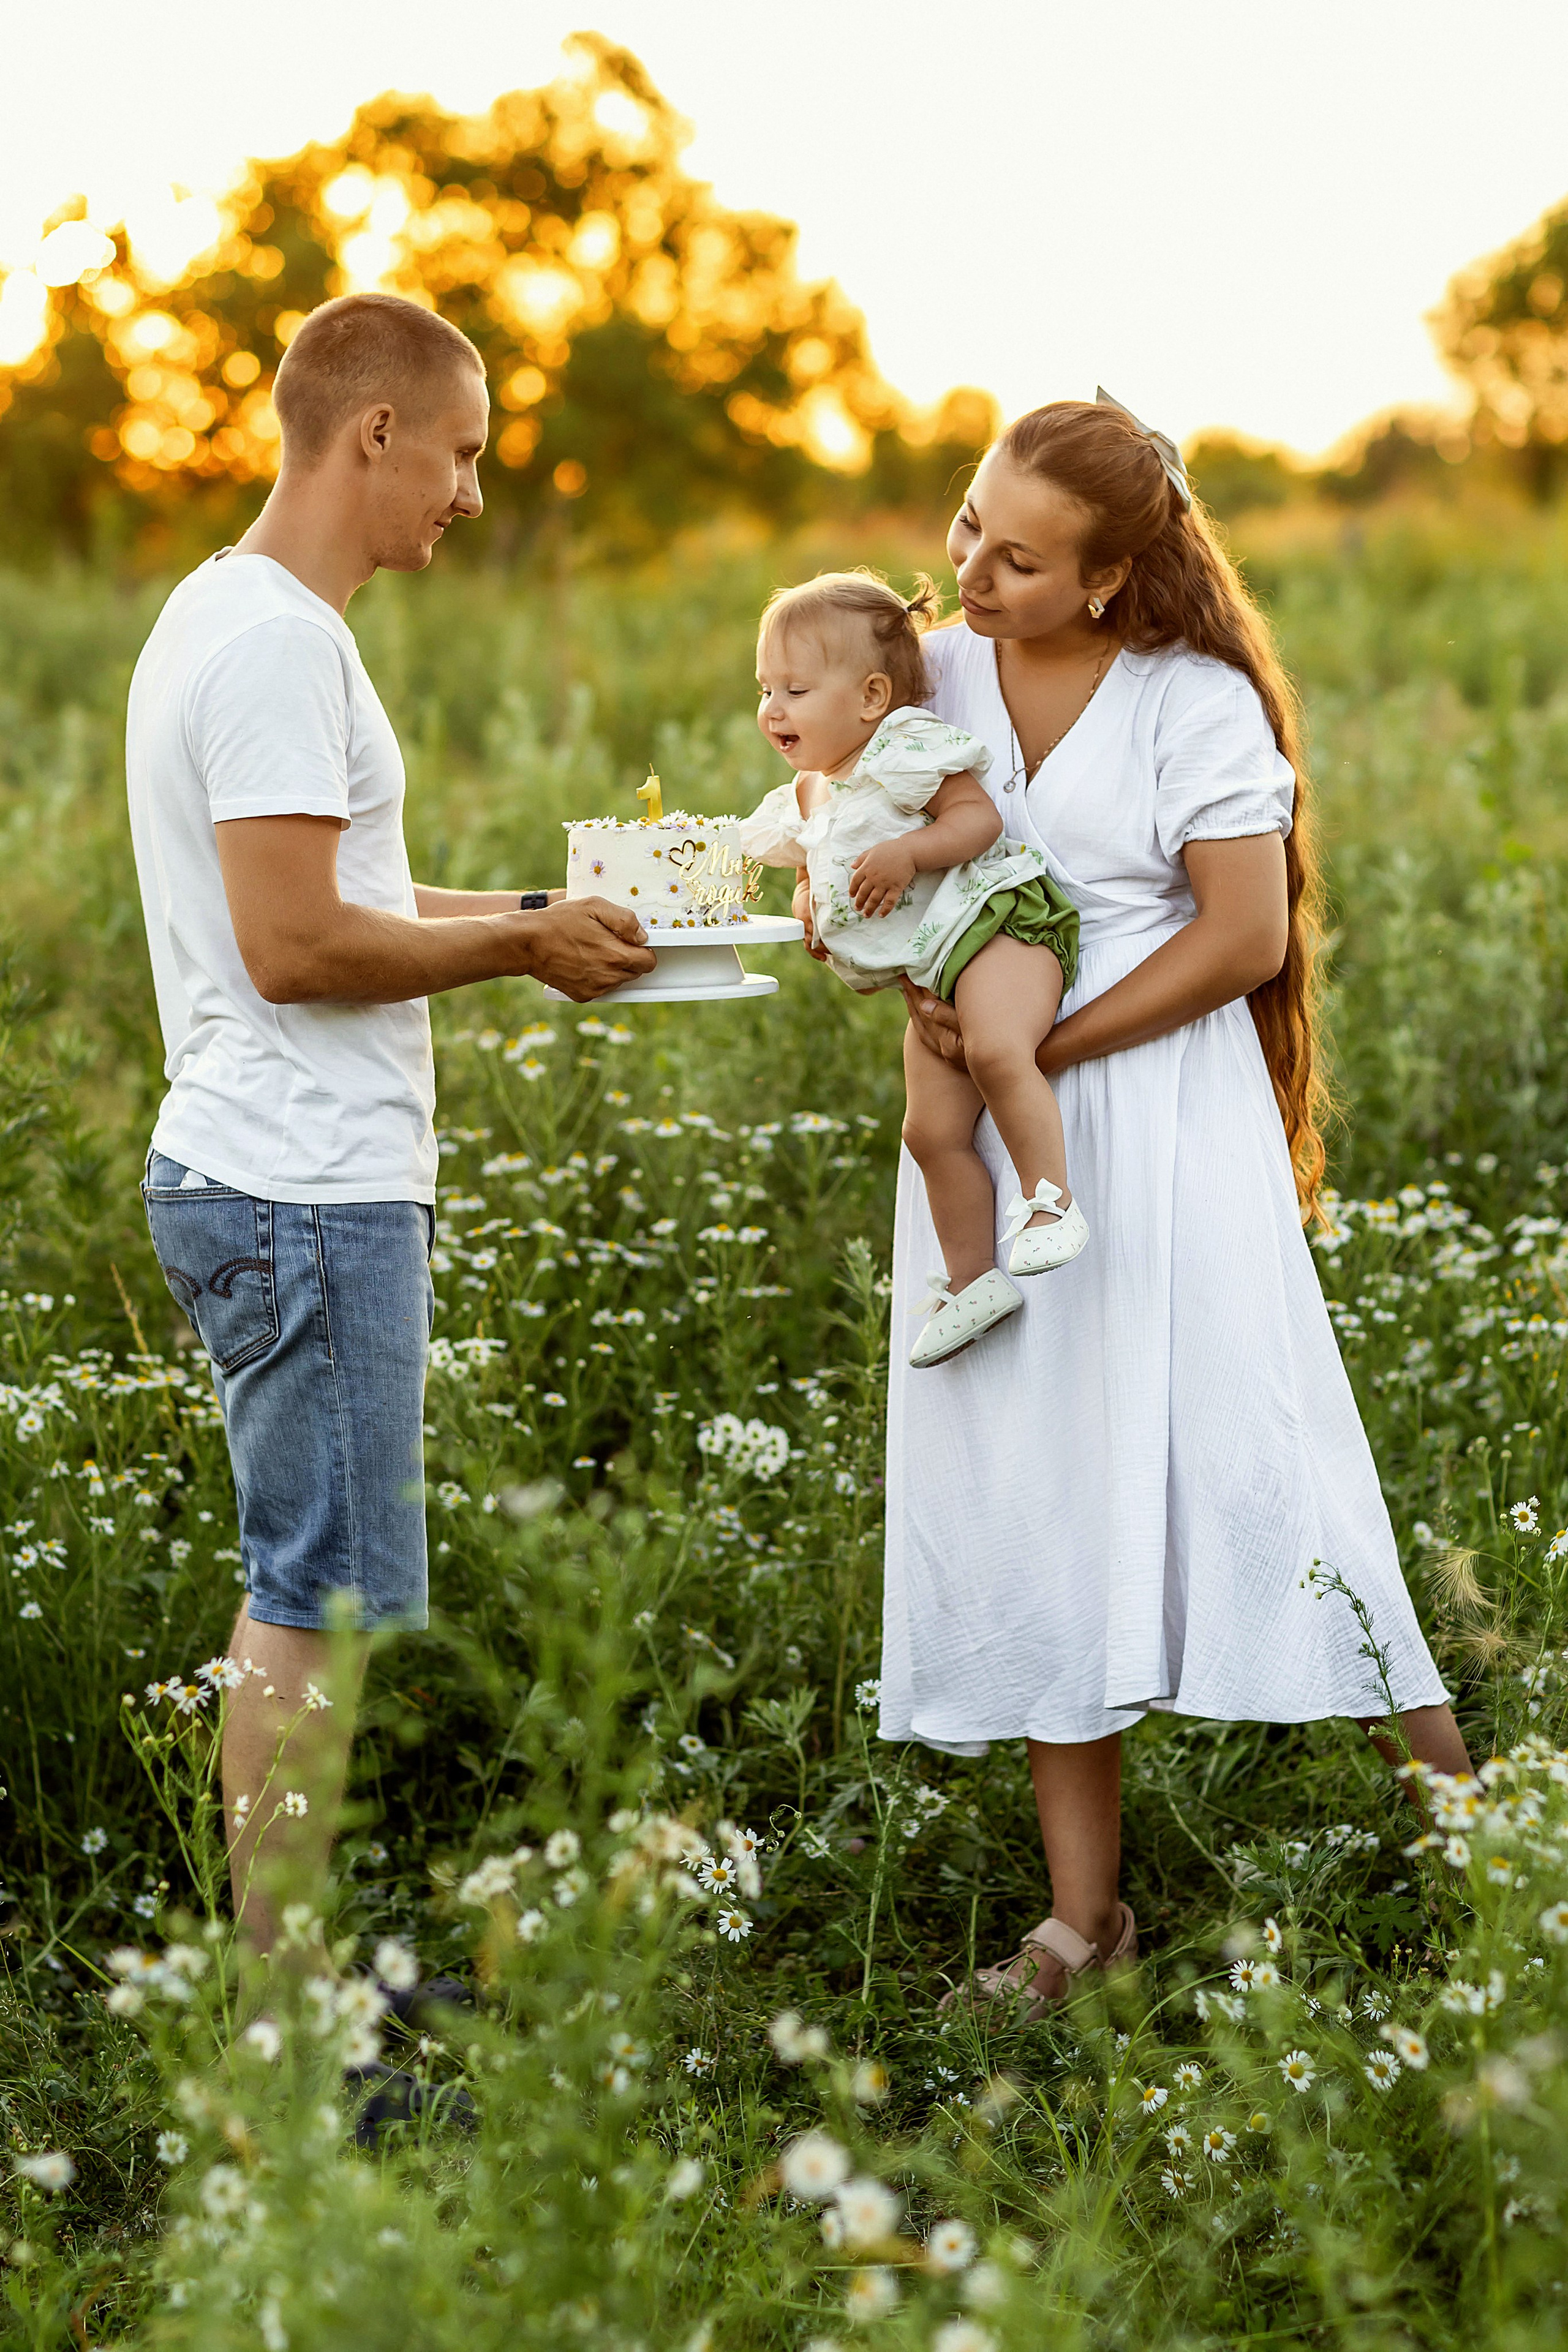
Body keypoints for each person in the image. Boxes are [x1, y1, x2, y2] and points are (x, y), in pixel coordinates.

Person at [875, 392, 1473, 2019]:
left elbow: (1242, 938)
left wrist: (1045, 1043)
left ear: (1113, 580)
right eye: (969, 529)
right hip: (1002, 1165)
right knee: (1035, 1490)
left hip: (1162, 1135)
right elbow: (869, 851)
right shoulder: (928, 680)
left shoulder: (1192, 703)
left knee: (1279, 1471)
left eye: (1019, 558)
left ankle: (1483, 1861)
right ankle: (1085, 1925)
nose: (974, 571)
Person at [126, 292, 655, 1965]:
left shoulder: (224, 613)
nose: (472, 496)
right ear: (375, 433)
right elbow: (292, 949)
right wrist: (517, 949)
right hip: (300, 1181)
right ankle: (293, 2029)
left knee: (309, 1592)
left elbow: (328, 891)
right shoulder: (283, 643)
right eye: (465, 455)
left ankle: (299, 2001)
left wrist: (534, 906)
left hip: (258, 1166)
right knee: (314, 1609)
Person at [739, 570, 1085, 1371]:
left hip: (999, 925)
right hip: (934, 970)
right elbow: (812, 864)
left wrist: (910, 851)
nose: (773, 709)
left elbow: (977, 818)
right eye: (765, 689)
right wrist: (806, 904)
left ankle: (1051, 1203)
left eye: (794, 688)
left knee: (999, 1051)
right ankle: (974, 1282)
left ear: (869, 697)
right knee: (928, 1132)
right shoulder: (812, 790)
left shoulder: (905, 747)